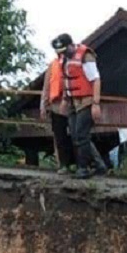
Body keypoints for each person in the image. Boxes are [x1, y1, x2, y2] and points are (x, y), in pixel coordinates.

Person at [52, 34, 108, 179]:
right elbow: (66, 80)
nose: (63, 54)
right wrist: (65, 99)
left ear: (71, 45)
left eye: (65, 50)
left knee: (82, 135)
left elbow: (96, 79)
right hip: (72, 102)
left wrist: (95, 104)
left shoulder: (85, 56)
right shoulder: (65, 59)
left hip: (86, 101)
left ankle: (83, 168)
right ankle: (99, 165)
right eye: (60, 52)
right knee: (77, 135)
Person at [41, 35, 76, 174]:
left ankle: (83, 164)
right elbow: (46, 86)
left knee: (77, 136)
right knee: (60, 137)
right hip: (55, 106)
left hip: (73, 105)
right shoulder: (53, 65)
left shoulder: (74, 62)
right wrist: (43, 105)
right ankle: (64, 165)